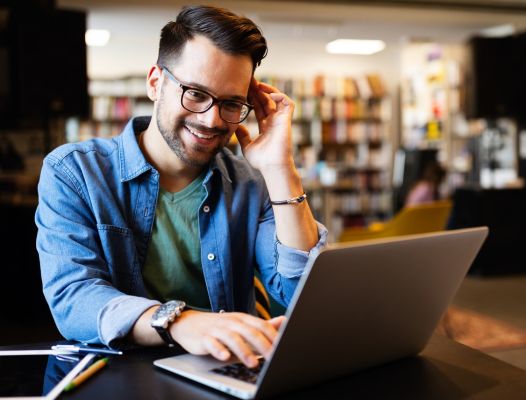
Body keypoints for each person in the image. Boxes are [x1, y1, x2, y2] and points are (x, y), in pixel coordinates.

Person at [35, 5, 327, 369]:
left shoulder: (253, 183)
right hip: (120, 376)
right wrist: (178, 321)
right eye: (196, 93)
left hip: (229, 374)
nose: (211, 119)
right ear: (156, 83)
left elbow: (303, 293)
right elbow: (74, 298)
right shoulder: (75, 172)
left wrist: (281, 169)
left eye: (231, 103)